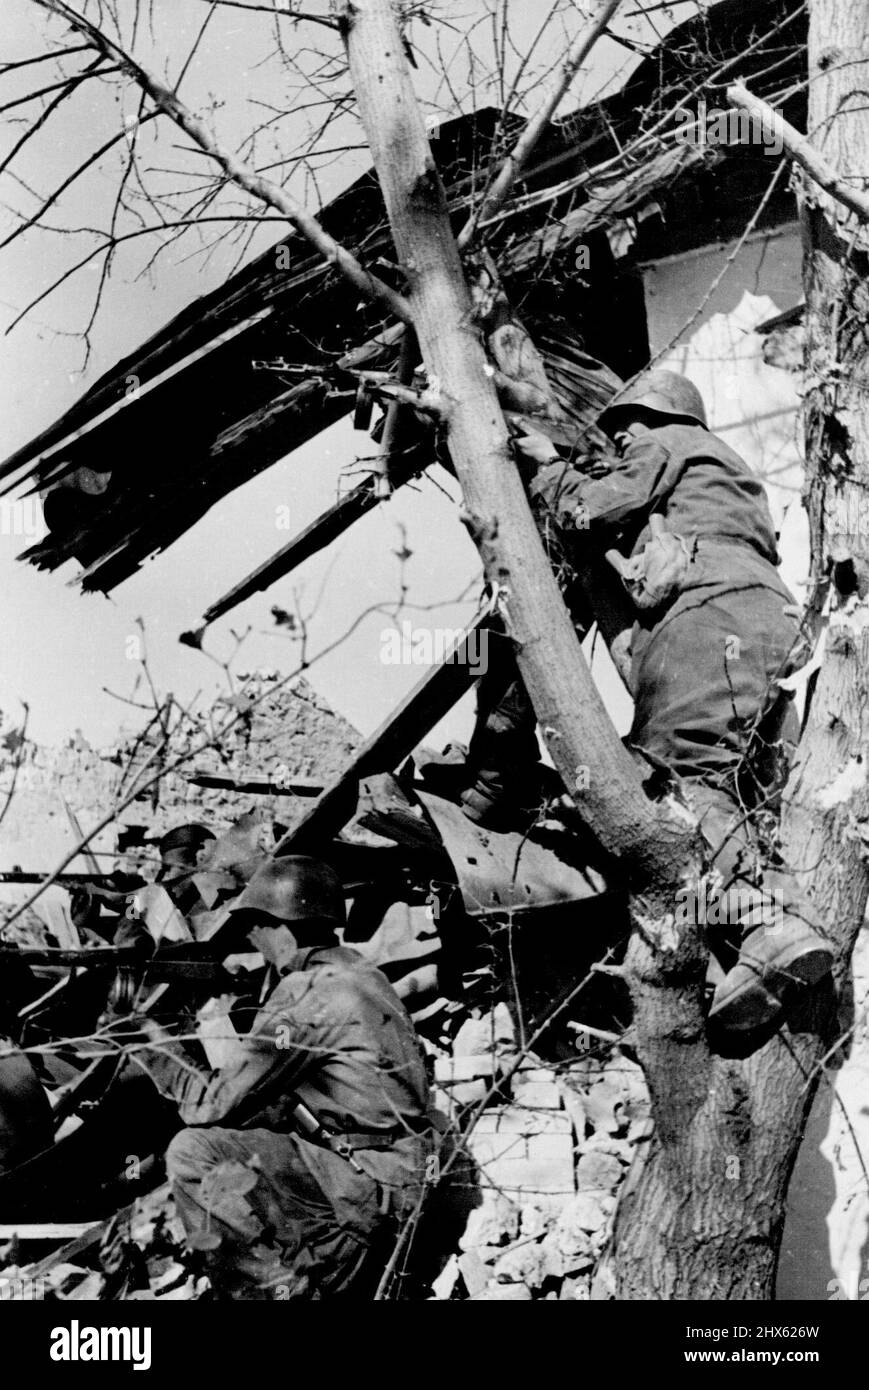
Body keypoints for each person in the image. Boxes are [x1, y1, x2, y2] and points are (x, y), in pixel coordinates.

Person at [510, 369, 833, 1037]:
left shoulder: (668, 443)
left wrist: (547, 471)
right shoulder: (719, 474)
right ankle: (765, 948)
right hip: (758, 618)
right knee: (736, 790)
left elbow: (587, 511)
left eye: (627, 421)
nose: (621, 434)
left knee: (679, 776)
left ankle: (769, 923)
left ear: (656, 417)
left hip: (707, 617)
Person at [129, 855, 436, 1299]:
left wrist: (147, 1038)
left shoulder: (309, 992)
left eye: (256, 928)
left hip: (367, 1197)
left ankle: (275, 1291)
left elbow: (211, 1104)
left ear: (284, 925)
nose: (253, 942)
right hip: (398, 1180)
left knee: (194, 1152)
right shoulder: (362, 975)